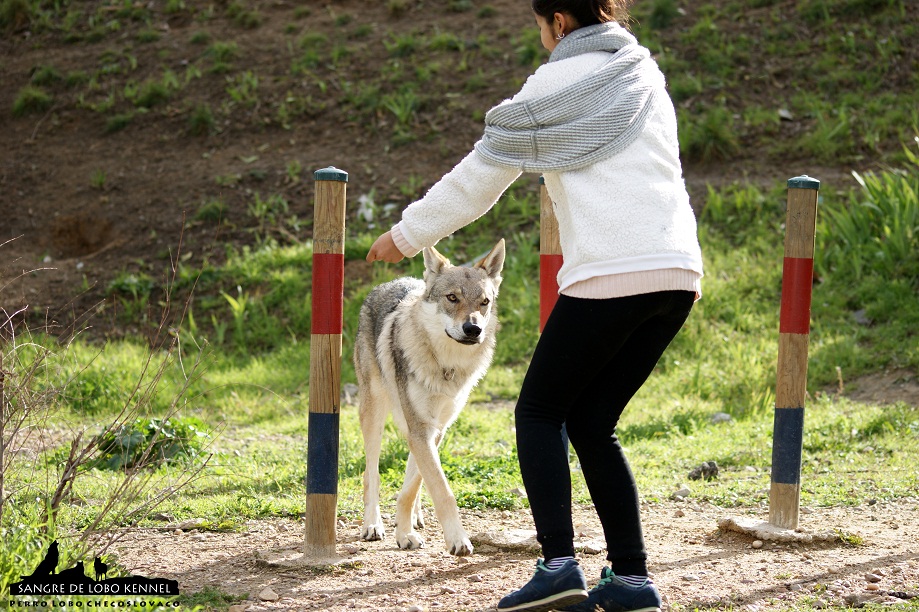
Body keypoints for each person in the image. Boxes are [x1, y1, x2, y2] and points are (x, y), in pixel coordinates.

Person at [366, 0, 703, 610]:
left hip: (611, 274)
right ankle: (630, 579)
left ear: (560, 22)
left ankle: (558, 566)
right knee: (593, 423)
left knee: (540, 412)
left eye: (541, 28)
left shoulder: (555, 81)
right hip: (678, 273)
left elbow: (480, 177)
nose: (542, 40)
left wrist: (406, 236)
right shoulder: (643, 72)